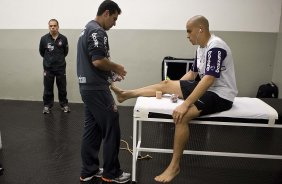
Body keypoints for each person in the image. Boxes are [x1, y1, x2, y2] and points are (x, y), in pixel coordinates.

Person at [111, 15, 238, 183]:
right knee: (166, 83)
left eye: (189, 31)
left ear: (201, 29)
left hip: (221, 94)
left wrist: (185, 103)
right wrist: (175, 87)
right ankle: (125, 94)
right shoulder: (201, 48)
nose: (187, 35)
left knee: (182, 116)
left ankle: (174, 166)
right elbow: (193, 74)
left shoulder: (216, 47)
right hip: (208, 87)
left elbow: (208, 79)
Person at [76, 0, 131, 183]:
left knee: (92, 129)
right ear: (106, 13)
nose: (114, 23)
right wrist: (116, 67)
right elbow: (98, 60)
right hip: (97, 90)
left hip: (88, 87)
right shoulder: (97, 31)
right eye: (114, 19)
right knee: (111, 128)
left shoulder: (86, 28)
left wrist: (110, 76)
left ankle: (89, 170)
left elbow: (94, 62)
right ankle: (111, 173)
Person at [39, 19, 70, 114]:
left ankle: (64, 105)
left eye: (54, 25)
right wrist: (49, 61)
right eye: (51, 26)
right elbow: (41, 52)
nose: (53, 27)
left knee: (62, 88)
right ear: (49, 27)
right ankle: (47, 106)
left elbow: (65, 52)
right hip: (48, 68)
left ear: (58, 26)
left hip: (60, 68)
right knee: (48, 88)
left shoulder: (63, 39)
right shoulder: (44, 39)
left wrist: (59, 60)